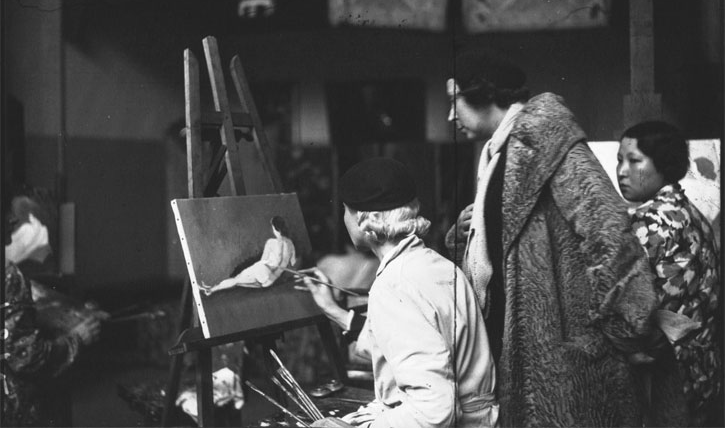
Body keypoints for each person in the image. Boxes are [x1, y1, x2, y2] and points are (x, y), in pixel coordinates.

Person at [445, 49, 659, 427]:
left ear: (482, 93)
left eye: (454, 101)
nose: (450, 116)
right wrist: (470, 229)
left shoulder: (548, 142)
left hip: (557, 356)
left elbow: (609, 232)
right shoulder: (499, 152)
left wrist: (625, 332)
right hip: (516, 351)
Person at [300, 157, 497, 427]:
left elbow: (434, 411)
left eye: (345, 210)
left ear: (362, 218)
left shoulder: (395, 284)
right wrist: (334, 311)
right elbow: (409, 343)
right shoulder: (436, 265)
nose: (343, 217)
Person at [617, 120, 722, 426]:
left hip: (665, 377)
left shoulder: (651, 220)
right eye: (619, 160)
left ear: (663, 164)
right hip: (700, 372)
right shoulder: (693, 214)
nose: (622, 171)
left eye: (634, 160)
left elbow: (632, 305)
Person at [3, 189, 103, 426]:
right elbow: (26, 356)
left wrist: (66, 313)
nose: (12, 221)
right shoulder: (8, 275)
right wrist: (76, 338)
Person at [200, 216, 296, 295]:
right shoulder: (290, 244)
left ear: (275, 228)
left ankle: (211, 290)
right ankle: (212, 288)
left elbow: (263, 260)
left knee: (236, 280)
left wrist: (268, 263)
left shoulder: (271, 242)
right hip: (270, 281)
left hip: (263, 271)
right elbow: (293, 262)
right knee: (238, 282)